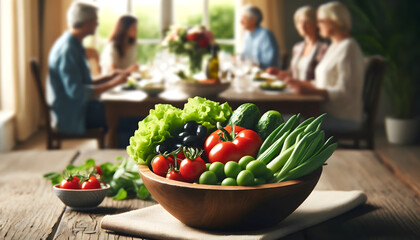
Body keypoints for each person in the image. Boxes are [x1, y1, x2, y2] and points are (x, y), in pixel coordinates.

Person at [47, 1, 130, 134]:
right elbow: (77, 92)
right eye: (95, 20)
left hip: (78, 108)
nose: (97, 24)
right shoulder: (67, 50)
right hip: (73, 115)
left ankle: (117, 146)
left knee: (126, 114)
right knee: (127, 117)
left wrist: (109, 77)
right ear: (86, 21)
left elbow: (83, 82)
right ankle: (120, 150)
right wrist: (115, 83)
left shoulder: (73, 43)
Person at [285, 1, 365, 130]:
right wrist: (299, 83)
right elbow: (324, 82)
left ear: (334, 21)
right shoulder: (335, 46)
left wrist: (312, 91)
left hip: (342, 117)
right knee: (284, 118)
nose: (317, 25)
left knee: (286, 122)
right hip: (324, 113)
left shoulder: (349, 47)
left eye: (321, 21)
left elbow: (346, 93)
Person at [267, 6, 328, 81]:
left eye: (307, 22)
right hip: (295, 90)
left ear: (316, 24)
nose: (302, 26)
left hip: (311, 91)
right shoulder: (297, 47)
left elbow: (323, 79)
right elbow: (292, 74)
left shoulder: (324, 48)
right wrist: (278, 73)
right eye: (299, 22)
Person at [240, 4, 279, 69]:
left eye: (244, 18)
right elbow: (243, 58)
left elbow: (269, 63)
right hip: (251, 73)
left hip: (266, 75)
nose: (240, 21)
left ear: (253, 20)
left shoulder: (265, 35)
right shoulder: (247, 35)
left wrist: (251, 64)